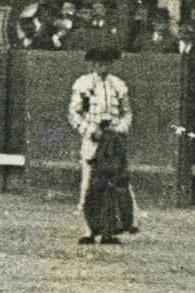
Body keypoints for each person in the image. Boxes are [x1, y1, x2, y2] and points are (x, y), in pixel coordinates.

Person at [68, 45, 139, 244]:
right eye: (99, 62)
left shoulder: (118, 84)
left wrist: (120, 130)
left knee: (115, 182)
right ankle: (88, 229)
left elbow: (127, 113)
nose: (103, 66)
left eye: (107, 63)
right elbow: (74, 114)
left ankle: (111, 230)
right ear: (92, 64)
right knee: (88, 182)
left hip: (113, 139)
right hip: (93, 140)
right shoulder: (83, 83)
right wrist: (92, 130)